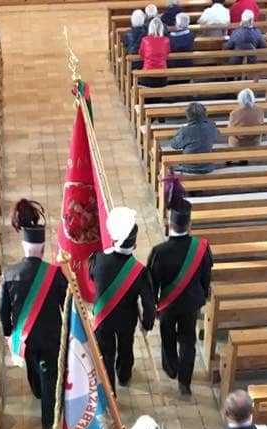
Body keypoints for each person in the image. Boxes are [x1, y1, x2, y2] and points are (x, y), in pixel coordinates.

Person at [0, 200, 68, 429]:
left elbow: (2, 311)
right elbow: (67, 305)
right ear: (43, 249)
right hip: (50, 337)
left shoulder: (9, 275)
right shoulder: (56, 274)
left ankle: (37, 392)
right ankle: (48, 420)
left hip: (25, 338)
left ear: (23, 247)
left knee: (33, 367)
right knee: (50, 375)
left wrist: (10, 332)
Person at [147, 196, 213, 396]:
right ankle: (185, 382)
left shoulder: (159, 252)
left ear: (170, 223)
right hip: (190, 304)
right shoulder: (201, 248)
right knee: (187, 340)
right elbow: (206, 277)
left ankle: (171, 368)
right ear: (189, 224)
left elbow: (152, 283)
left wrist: (154, 305)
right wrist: (202, 295)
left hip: (168, 305)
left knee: (167, 335)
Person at [88, 206, 155, 393]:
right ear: (135, 245)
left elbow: (91, 277)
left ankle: (110, 392)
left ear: (113, 239)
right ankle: (124, 375)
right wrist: (147, 324)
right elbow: (149, 304)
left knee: (106, 354)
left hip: (103, 319)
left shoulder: (97, 259)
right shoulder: (140, 271)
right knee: (126, 348)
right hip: (126, 320)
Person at [169, 101, 221, 174]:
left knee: (167, 168)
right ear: (204, 113)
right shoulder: (211, 126)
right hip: (207, 166)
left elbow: (174, 145)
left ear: (188, 115)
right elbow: (217, 137)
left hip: (188, 167)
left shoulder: (185, 130)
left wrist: (179, 132)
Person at [138, 16, 170, 87]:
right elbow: (167, 53)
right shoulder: (166, 40)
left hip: (147, 73)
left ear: (150, 28)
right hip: (162, 74)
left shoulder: (145, 40)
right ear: (162, 28)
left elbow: (141, 53)